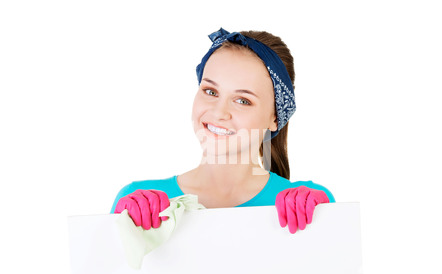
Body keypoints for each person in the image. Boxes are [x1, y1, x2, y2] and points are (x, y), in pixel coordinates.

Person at [111, 28, 335, 234]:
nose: (219, 112)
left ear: (275, 118)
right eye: (210, 91)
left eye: (242, 100)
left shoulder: (306, 205)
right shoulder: (136, 201)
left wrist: (326, 220)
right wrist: (120, 228)